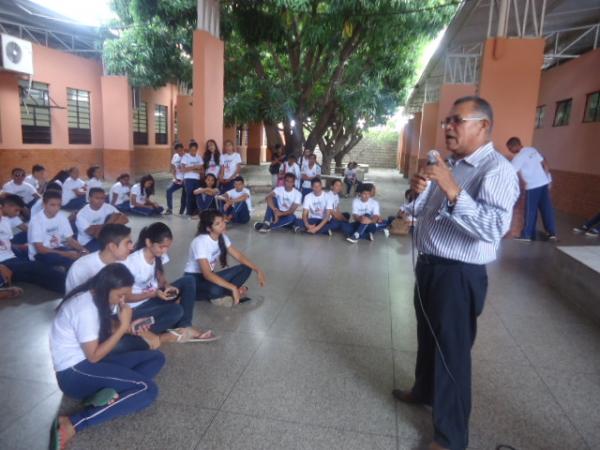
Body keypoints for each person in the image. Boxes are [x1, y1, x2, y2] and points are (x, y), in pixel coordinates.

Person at [392, 96, 519, 450]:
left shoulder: (497, 170)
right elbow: (419, 211)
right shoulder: (450, 163)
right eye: (447, 120)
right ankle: (423, 390)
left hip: (459, 274)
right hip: (429, 265)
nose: (448, 127)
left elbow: (493, 228)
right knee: (428, 337)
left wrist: (450, 188)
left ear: (483, 126)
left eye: (457, 121)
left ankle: (450, 438)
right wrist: (417, 193)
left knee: (452, 354)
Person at [48, 263, 165, 450]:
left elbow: (104, 328)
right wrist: (122, 327)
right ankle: (73, 423)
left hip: (89, 363)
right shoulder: (84, 307)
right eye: (120, 295)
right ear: (107, 288)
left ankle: (106, 394)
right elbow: (94, 356)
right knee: (147, 389)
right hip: (74, 373)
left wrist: (129, 327)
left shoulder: (99, 298)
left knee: (156, 357)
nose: (122, 300)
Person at [124, 223, 214, 349]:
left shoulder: (158, 255)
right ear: (149, 242)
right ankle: (140, 331)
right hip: (137, 308)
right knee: (176, 311)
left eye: (167, 247)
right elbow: (125, 298)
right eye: (162, 247)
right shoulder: (132, 263)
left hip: (153, 298)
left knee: (189, 280)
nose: (164, 251)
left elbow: (161, 279)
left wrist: (168, 286)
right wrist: (154, 293)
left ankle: (184, 326)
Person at [184, 210, 266, 307]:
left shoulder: (222, 237)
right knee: (215, 290)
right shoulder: (200, 242)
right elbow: (207, 275)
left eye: (223, 221)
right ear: (208, 228)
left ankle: (222, 294)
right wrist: (233, 287)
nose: (223, 225)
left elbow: (239, 256)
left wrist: (257, 269)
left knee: (246, 268)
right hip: (195, 280)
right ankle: (223, 294)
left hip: (209, 277)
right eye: (217, 224)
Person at [0, 197, 65, 293]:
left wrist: (19, 247)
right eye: (16, 210)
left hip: (12, 258)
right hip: (5, 262)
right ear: (3, 207)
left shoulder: (6, 221)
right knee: (39, 268)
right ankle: (73, 285)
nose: (17, 213)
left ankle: (69, 289)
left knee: (36, 277)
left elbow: (7, 242)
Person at [507, 137, 557, 242]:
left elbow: (509, 173)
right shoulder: (532, 150)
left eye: (509, 148)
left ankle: (527, 235)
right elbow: (545, 163)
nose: (509, 151)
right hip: (544, 183)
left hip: (533, 186)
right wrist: (547, 177)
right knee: (546, 209)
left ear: (513, 146)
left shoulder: (518, 157)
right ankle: (552, 233)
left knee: (530, 210)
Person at [28, 190, 88, 270]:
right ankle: (59, 268)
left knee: (80, 256)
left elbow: (70, 240)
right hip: (40, 254)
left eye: (59, 205)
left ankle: (62, 267)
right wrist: (66, 254)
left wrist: (84, 250)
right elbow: (40, 249)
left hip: (57, 249)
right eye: (52, 205)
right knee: (63, 259)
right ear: (44, 205)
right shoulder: (36, 221)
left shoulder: (61, 217)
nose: (56, 208)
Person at [65, 224, 133, 292]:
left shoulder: (126, 262)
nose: (131, 247)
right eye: (127, 243)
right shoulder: (81, 267)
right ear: (112, 247)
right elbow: (74, 299)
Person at [75, 188, 129, 253]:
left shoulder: (108, 207)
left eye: (102, 198)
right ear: (89, 198)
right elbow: (96, 235)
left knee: (126, 245)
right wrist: (111, 221)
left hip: (107, 236)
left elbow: (125, 219)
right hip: (88, 241)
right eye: (97, 198)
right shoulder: (82, 214)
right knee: (111, 251)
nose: (100, 201)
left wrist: (98, 227)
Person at [181, 140, 203, 217]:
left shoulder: (199, 157)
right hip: (188, 179)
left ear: (197, 149)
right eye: (192, 150)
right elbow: (183, 169)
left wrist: (190, 168)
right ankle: (189, 212)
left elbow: (201, 170)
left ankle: (197, 212)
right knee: (189, 196)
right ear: (189, 149)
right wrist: (195, 167)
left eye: (195, 150)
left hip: (196, 179)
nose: (193, 151)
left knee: (198, 195)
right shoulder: (185, 157)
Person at [165, 142, 186, 215]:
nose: (179, 152)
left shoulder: (187, 156)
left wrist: (184, 180)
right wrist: (175, 178)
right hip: (177, 179)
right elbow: (173, 168)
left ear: (183, 149)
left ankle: (181, 212)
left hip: (185, 180)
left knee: (184, 196)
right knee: (168, 190)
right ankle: (169, 209)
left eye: (180, 150)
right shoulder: (175, 156)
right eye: (177, 150)